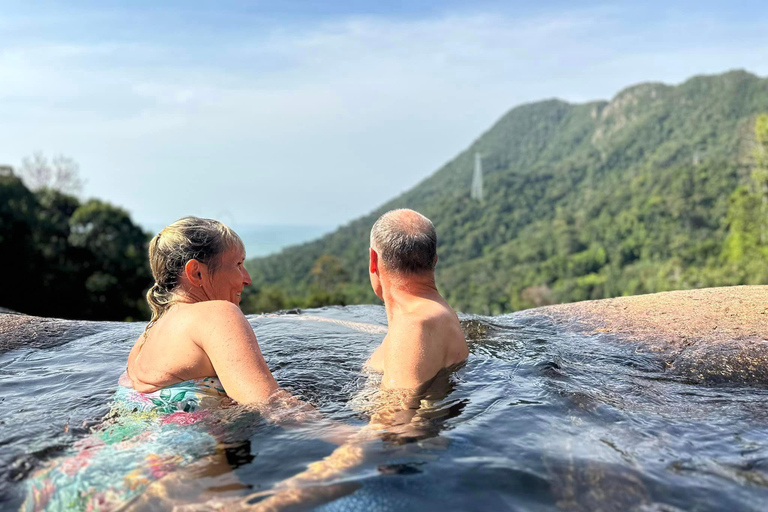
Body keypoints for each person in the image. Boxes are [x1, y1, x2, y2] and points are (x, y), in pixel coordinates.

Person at [242, 209, 469, 511]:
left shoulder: (417, 326)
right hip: (407, 466)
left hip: (397, 480)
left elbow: (386, 429)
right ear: (434, 261)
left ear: (373, 261)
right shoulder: (428, 316)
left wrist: (272, 501)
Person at [125, 216, 279, 405]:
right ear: (196, 272)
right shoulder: (218, 314)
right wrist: (324, 428)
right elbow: (271, 405)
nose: (247, 279)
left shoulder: (144, 341)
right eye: (238, 265)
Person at [365, 208, 469, 388]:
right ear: (434, 260)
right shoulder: (435, 315)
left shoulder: (413, 326)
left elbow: (397, 415)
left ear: (373, 260)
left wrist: (305, 413)